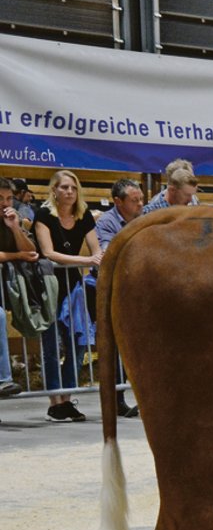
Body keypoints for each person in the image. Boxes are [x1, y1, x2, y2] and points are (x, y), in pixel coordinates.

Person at [33, 170, 106, 423]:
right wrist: (87, 259)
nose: (69, 192)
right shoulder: (43, 214)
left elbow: (97, 249)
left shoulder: (83, 214)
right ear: (54, 190)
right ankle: (55, 401)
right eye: (64, 187)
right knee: (51, 344)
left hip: (73, 283)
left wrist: (94, 258)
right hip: (49, 283)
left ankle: (67, 397)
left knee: (76, 341)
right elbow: (48, 252)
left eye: (73, 188)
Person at [94, 178, 147, 417]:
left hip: (139, 290)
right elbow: (108, 253)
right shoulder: (107, 222)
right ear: (118, 201)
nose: (140, 204)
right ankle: (116, 399)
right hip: (112, 290)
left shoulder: (144, 219)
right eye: (134, 201)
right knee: (114, 345)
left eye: (141, 199)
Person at [0, 177, 39, 401]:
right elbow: (22, 255)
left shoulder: (15, 220)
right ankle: (4, 379)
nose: (5, 204)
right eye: (0, 199)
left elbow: (31, 252)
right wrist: (16, 256)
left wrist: (15, 229)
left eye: (8, 199)